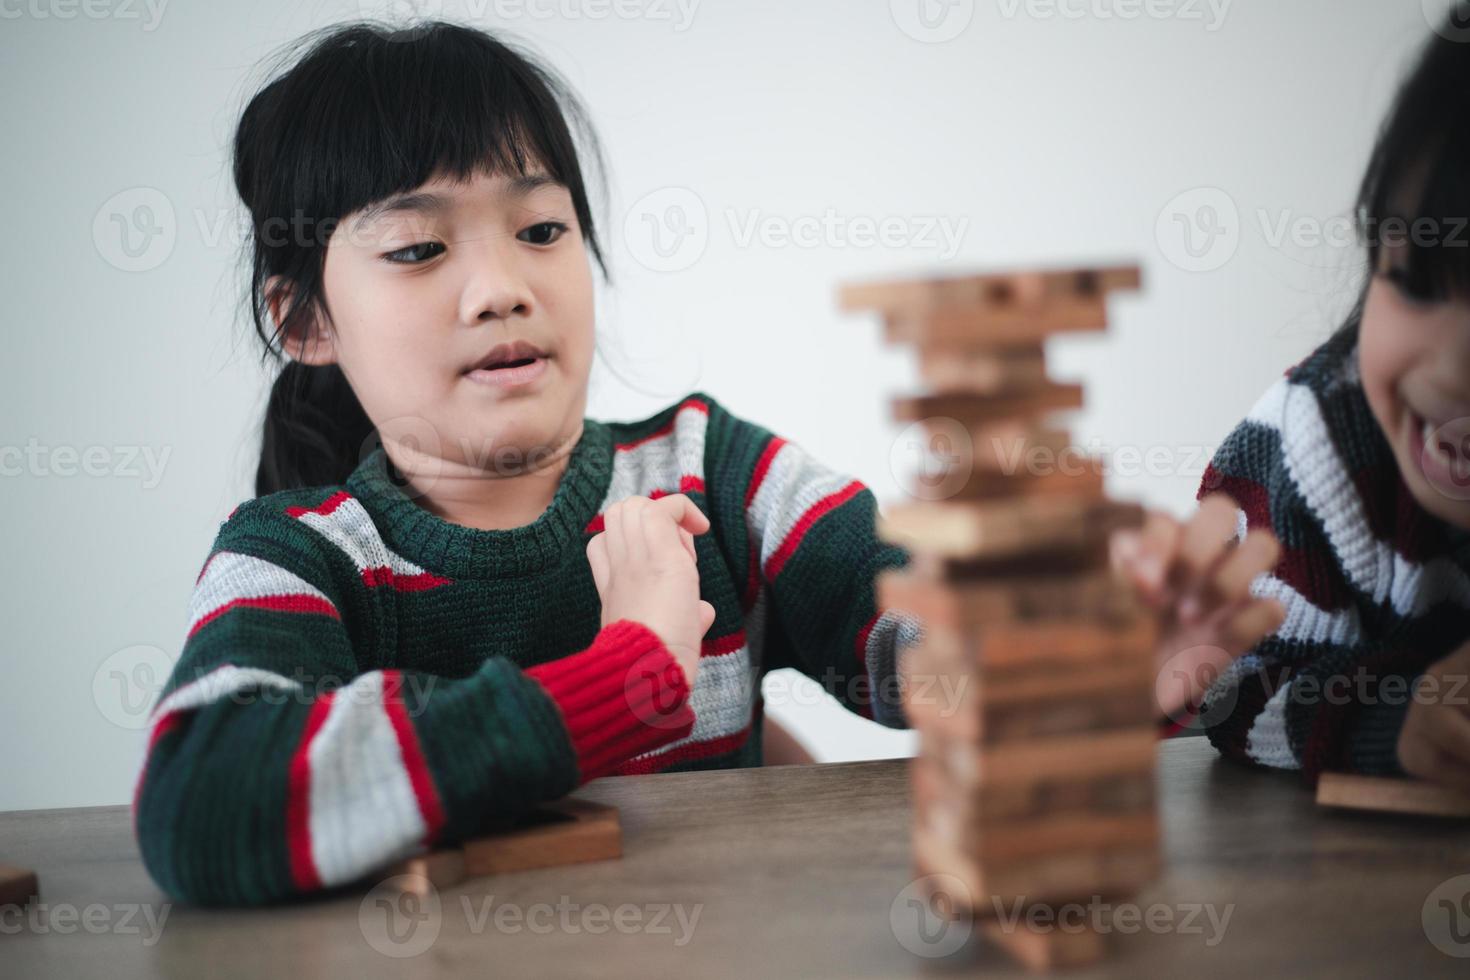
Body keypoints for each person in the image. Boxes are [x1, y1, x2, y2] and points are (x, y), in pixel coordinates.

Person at [134, 19, 1280, 907]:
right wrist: (627, 670)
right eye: (419, 247)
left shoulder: (715, 470)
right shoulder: (294, 556)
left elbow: (902, 625)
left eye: (542, 229)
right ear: (305, 321)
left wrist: (1082, 670)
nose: (502, 286)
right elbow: (201, 801)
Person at [1181, 13, 1470, 789]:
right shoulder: (1318, 449)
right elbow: (1232, 690)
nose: (1451, 365)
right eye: (1413, 283)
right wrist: (1397, 719)